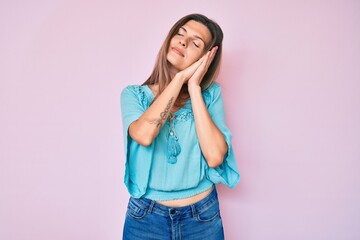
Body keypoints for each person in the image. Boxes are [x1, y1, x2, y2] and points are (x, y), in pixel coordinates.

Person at [120, 13, 240, 240]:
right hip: (145, 219)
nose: (183, 41)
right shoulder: (133, 95)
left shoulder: (210, 95)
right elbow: (144, 135)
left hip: (202, 217)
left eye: (195, 43)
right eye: (180, 34)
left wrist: (194, 86)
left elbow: (215, 157)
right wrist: (179, 79)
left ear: (206, 58)